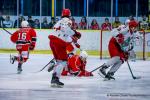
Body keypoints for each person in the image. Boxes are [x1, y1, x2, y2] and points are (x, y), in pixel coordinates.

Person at [48, 8, 75, 87]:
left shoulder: (59, 21)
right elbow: (65, 29)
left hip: (52, 41)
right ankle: (55, 78)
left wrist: (72, 38)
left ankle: (54, 78)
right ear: (69, 14)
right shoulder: (68, 20)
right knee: (63, 61)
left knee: (59, 61)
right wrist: (74, 33)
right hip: (58, 42)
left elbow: (63, 32)